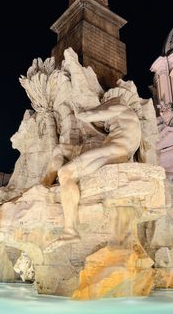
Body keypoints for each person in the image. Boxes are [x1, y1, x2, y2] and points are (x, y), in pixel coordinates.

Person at [44, 80, 142, 252]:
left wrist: (77, 109)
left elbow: (89, 116)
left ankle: (70, 230)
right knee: (67, 166)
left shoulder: (119, 107)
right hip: (118, 154)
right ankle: (65, 221)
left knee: (65, 172)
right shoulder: (132, 121)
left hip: (111, 151)